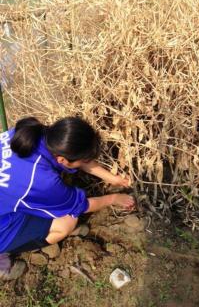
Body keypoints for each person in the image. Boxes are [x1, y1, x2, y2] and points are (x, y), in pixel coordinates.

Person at [0, 116, 135, 280]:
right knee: (67, 222)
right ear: (62, 159)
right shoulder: (43, 182)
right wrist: (113, 198)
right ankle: (4, 251)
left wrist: (112, 179)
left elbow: (76, 158)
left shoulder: (28, 132)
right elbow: (81, 205)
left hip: (6, 199)